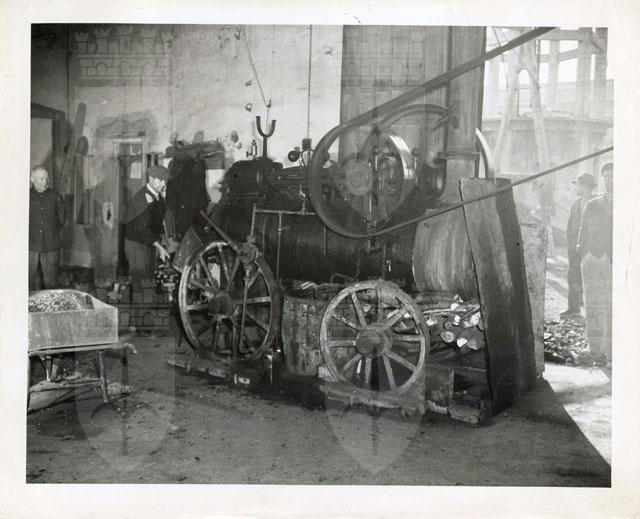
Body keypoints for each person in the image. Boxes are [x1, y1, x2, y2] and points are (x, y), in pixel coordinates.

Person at [577, 162, 613, 366]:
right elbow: (582, 232)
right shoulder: (593, 204)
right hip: (591, 261)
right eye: (606, 176)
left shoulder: (628, 204)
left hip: (612, 262)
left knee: (610, 305)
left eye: (614, 176)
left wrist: (611, 256)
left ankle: (610, 351)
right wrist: (586, 255)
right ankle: (594, 349)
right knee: (592, 304)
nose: (610, 180)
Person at [124, 165, 171, 290]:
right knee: (140, 283)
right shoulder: (142, 199)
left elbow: (157, 222)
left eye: (165, 181)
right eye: (161, 180)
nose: (164, 184)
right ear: (151, 178)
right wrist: (160, 247)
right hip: (136, 245)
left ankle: (147, 301)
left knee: (149, 281)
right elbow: (144, 229)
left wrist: (163, 240)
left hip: (148, 243)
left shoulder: (158, 197)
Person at [560, 172, 596, 318]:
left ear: (585, 186)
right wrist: (570, 245)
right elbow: (570, 226)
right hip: (575, 249)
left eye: (578, 185)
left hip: (591, 250)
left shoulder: (597, 203)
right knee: (573, 277)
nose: (576, 188)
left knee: (591, 279)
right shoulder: (576, 204)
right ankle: (573, 308)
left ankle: (593, 313)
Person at [29, 166, 65, 290]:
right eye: (41, 178)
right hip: (30, 247)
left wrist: (50, 232)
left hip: (51, 246)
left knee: (51, 283)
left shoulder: (56, 196)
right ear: (32, 179)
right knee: (29, 282)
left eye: (46, 178)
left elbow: (62, 220)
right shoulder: (25, 196)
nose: (45, 181)